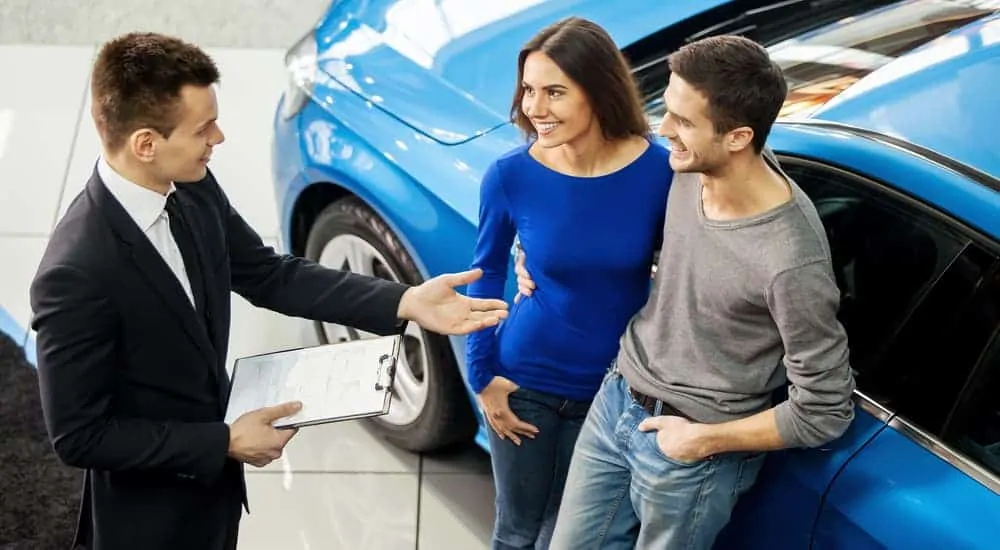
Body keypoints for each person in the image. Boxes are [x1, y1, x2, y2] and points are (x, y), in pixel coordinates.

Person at [29, 32, 508, 550]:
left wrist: (404, 300)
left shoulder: (190, 186)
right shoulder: (75, 274)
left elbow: (267, 274)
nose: (219, 137)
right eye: (203, 128)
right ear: (146, 144)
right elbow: (80, 435)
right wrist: (224, 441)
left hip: (215, 493)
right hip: (147, 520)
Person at [515, 35, 856, 549]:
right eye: (667, 111)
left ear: (738, 137)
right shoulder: (687, 170)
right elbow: (616, 234)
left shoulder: (790, 261)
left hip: (694, 449)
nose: (663, 130)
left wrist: (703, 440)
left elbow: (825, 410)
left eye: (683, 122)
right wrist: (533, 257)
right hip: (616, 398)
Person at [465, 17, 672, 550]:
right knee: (516, 531)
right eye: (528, 90)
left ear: (599, 90)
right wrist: (482, 376)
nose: (534, 108)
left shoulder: (661, 171)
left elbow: (684, 267)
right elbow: (485, 273)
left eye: (555, 92)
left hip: (611, 391)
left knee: (569, 537)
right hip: (524, 379)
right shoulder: (510, 175)